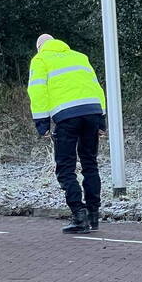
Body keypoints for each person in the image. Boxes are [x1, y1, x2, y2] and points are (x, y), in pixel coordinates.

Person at [27, 34, 107, 234]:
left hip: (66, 117)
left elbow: (37, 91)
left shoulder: (40, 60)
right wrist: (101, 120)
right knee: (90, 163)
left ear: (40, 48)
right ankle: (93, 215)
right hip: (91, 112)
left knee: (65, 168)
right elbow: (96, 87)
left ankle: (79, 216)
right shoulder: (80, 56)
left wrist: (42, 123)